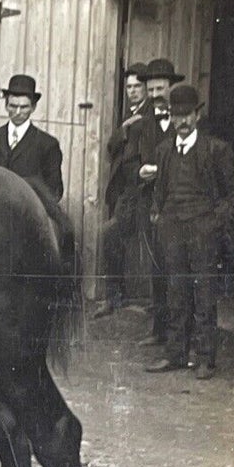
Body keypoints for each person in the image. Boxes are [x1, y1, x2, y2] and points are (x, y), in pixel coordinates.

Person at [145, 84, 234, 381]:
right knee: (175, 292)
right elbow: (160, 191)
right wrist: (158, 216)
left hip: (204, 232)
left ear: (197, 114)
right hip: (173, 231)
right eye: (176, 116)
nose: (182, 122)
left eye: (187, 115)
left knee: (204, 294)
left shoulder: (216, 150)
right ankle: (175, 354)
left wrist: (213, 222)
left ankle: (205, 358)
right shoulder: (164, 151)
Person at [95, 62, 151, 317]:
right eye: (128, 87)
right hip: (124, 190)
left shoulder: (151, 114)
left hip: (142, 189)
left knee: (147, 242)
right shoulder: (129, 114)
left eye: (137, 86)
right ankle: (115, 297)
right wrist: (125, 127)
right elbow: (111, 148)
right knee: (111, 237)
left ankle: (150, 302)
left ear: (147, 88)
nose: (132, 91)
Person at [135, 60, 179, 348]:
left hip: (178, 202)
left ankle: (179, 334)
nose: (154, 94)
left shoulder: (185, 118)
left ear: (171, 87)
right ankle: (158, 329)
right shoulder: (144, 122)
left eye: (160, 88)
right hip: (153, 202)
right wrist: (141, 170)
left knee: (177, 270)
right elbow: (140, 158)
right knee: (157, 267)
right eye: (150, 89)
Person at [0, 73, 63, 200]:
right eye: (13, 106)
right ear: (6, 106)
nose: (18, 112)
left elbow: (55, 191)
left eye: (24, 107)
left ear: (33, 108)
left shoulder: (47, 144)